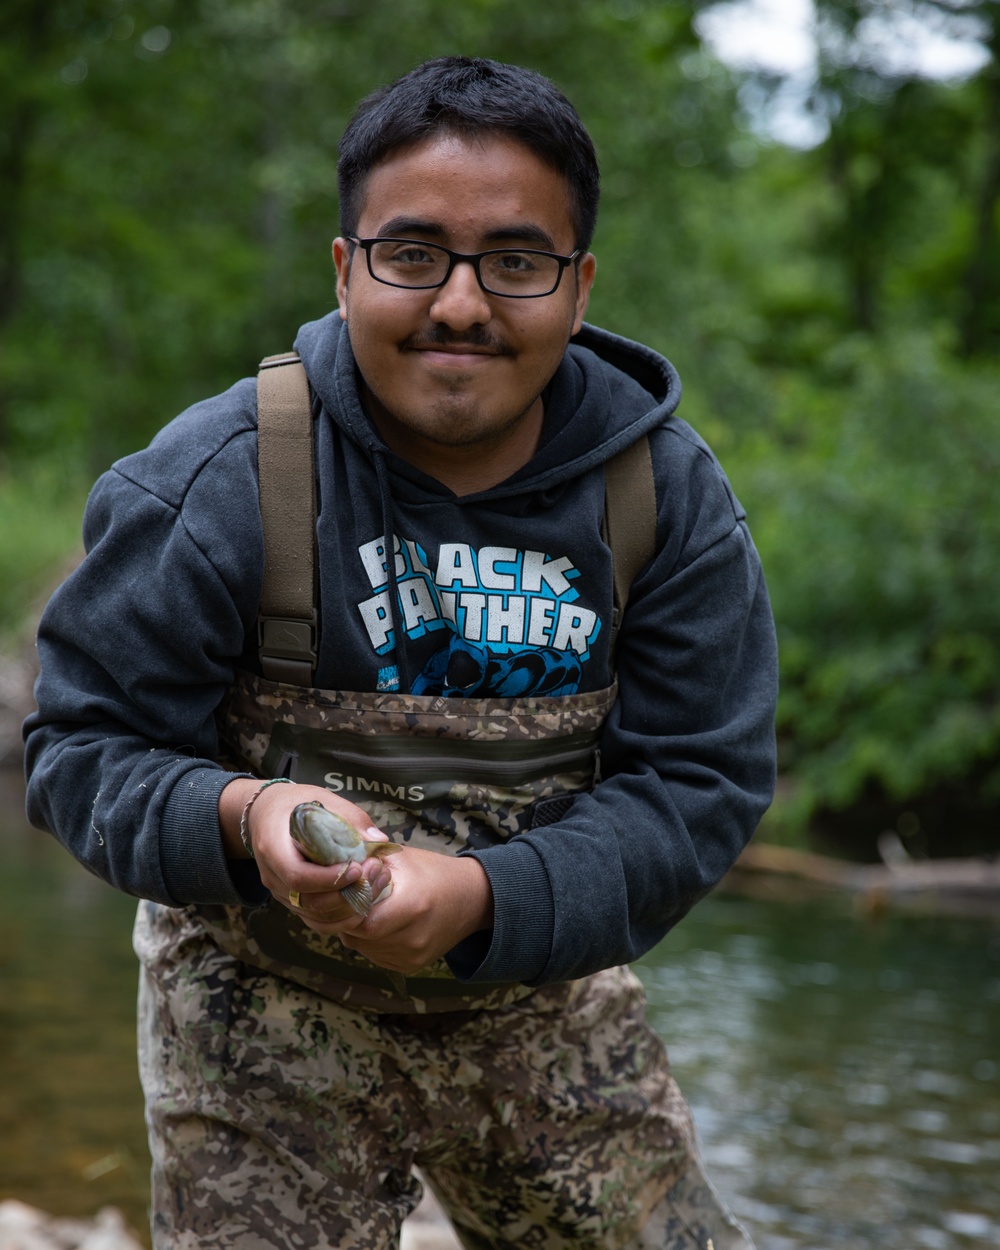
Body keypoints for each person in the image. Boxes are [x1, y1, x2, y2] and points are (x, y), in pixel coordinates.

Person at [24, 56, 777, 1250]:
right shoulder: (214, 482)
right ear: (344, 266)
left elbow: (700, 784)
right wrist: (245, 813)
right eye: (413, 253)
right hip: (256, 1005)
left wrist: (484, 896)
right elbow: (75, 749)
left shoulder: (665, 495)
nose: (462, 304)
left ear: (579, 288)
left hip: (541, 994)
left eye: (515, 262)